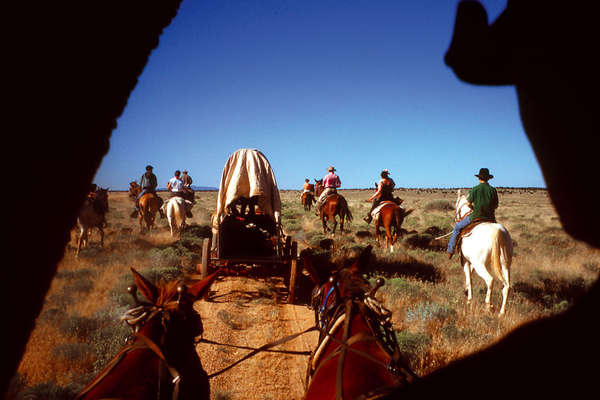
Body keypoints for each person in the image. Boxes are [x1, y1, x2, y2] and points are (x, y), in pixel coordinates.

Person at [447, 168, 498, 259]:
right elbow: (495, 206)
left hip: (476, 216)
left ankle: (450, 251)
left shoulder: (475, 189)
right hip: (491, 218)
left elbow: (468, 204)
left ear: (479, 178)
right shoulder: (493, 190)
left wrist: (474, 208)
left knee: (457, 227)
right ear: (488, 178)